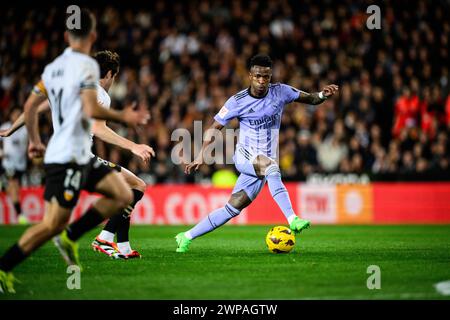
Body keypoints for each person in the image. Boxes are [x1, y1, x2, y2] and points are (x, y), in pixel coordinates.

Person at [0, 9, 149, 294]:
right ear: (92, 37)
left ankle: (90, 238)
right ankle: (80, 238)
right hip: (72, 158)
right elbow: (98, 126)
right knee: (54, 225)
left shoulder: (55, 71)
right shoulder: (94, 83)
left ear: (67, 36)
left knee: (123, 192)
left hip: (69, 156)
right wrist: (133, 143)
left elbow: (34, 107)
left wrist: (25, 135)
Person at [177, 54, 339, 252]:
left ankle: (185, 236)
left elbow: (312, 98)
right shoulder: (237, 101)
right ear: (250, 76)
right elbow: (214, 127)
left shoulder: (281, 92)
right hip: (245, 156)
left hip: (262, 163)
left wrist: (323, 95)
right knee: (272, 167)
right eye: (258, 76)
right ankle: (292, 219)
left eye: (266, 77)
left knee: (232, 209)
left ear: (270, 77)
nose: (262, 81)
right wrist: (201, 154)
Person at [0, 108, 29, 224]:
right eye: (15, 114)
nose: (16, 116)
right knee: (14, 186)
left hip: (21, 164)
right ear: (10, 115)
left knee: (13, 189)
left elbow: (28, 143)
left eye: (19, 114)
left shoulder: (25, 129)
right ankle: (20, 214)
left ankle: (2, 186)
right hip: (8, 163)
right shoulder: (5, 126)